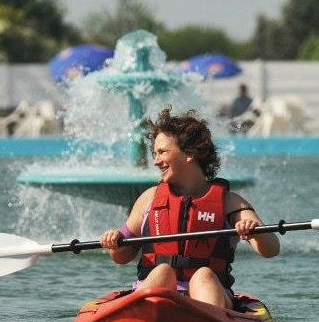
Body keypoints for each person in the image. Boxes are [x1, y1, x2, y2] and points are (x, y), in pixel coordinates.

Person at [99, 107, 279, 309]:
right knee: (162, 272)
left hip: (207, 297)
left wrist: (255, 232)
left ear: (190, 153)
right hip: (158, 296)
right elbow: (121, 257)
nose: (156, 161)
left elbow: (271, 249)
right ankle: (144, 317)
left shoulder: (231, 202)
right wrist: (114, 242)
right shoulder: (149, 198)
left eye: (162, 152)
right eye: (154, 153)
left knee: (204, 275)